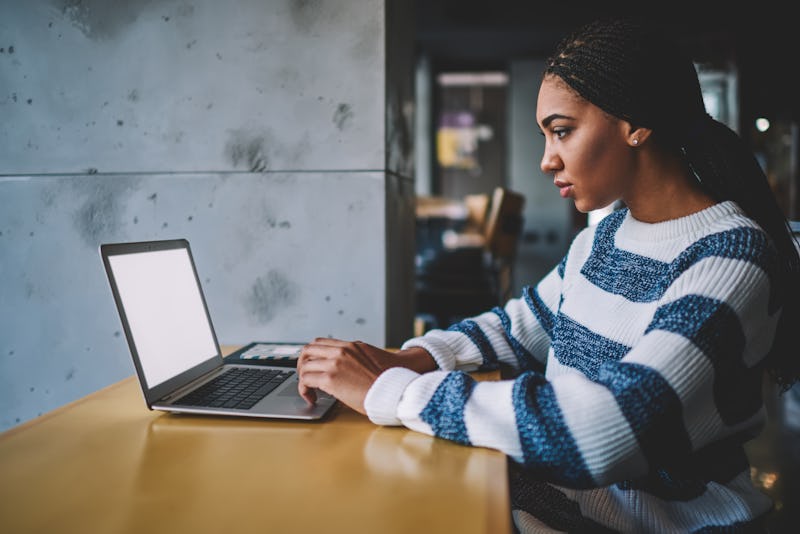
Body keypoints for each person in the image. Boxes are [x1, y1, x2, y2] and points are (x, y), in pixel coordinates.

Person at [297, 16, 800, 533]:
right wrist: (413, 357)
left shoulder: (732, 257)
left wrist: (395, 391)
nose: (546, 160)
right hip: (562, 507)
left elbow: (607, 429)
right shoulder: (604, 237)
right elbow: (519, 326)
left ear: (636, 122)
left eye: (562, 131)